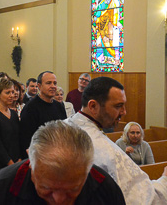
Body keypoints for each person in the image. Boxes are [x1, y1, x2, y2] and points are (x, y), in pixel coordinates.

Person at [66, 76, 167, 204]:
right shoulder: (106, 151)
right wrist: (165, 181)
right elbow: (143, 200)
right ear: (93, 106)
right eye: (118, 106)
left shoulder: (61, 127)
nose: (124, 112)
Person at [0, 120, 126, 205]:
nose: (59, 200)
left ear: (86, 172)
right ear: (31, 166)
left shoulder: (103, 186)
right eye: (47, 188)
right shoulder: (4, 188)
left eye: (72, 190)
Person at [19, 71, 67, 158]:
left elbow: (64, 131)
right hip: (39, 156)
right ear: (39, 86)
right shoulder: (30, 108)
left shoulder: (59, 106)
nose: (53, 86)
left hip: (58, 154)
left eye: (55, 83)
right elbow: (26, 138)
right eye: (49, 83)